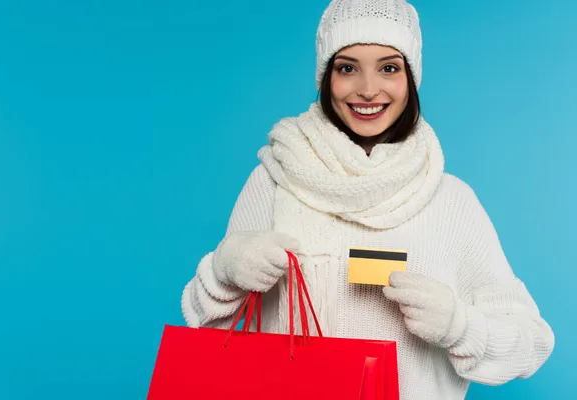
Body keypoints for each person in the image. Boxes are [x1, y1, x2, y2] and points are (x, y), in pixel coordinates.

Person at [180, 0, 555, 398]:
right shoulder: (274, 179)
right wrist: (224, 271)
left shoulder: (451, 201)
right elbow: (206, 326)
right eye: (347, 68)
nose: (368, 89)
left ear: (411, 77)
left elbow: (531, 343)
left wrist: (458, 327)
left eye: (389, 67)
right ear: (327, 78)